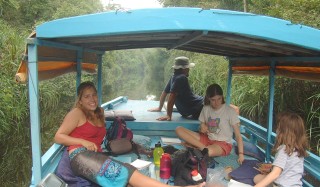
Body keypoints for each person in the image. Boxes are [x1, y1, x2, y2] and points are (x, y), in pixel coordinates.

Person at [54, 81, 206, 187]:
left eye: (94, 95)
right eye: (86, 96)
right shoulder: (77, 112)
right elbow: (58, 136)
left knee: (127, 174)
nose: (92, 99)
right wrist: (83, 142)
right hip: (79, 155)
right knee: (124, 173)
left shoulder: (99, 112)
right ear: (79, 100)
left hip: (95, 156)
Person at [175, 84, 244, 164]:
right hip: (207, 139)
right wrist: (202, 127)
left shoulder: (230, 111)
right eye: (213, 100)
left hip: (222, 144)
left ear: (222, 97)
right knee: (178, 129)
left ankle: (199, 148)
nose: (216, 103)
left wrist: (241, 154)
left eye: (219, 99)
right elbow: (201, 127)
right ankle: (201, 149)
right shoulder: (206, 108)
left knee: (208, 152)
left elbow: (238, 135)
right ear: (208, 98)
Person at [254, 112, 309, 187]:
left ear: (284, 132)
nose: (276, 130)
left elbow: (275, 174)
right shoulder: (299, 149)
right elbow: (289, 168)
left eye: (278, 128)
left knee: (256, 178)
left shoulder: (284, 150)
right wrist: (270, 169)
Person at [148, 56, 203, 121]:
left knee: (205, 98)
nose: (189, 70)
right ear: (184, 69)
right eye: (188, 68)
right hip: (195, 107)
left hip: (191, 106)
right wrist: (168, 115)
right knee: (209, 99)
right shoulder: (182, 78)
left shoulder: (174, 77)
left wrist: (160, 107)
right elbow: (172, 96)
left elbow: (164, 93)